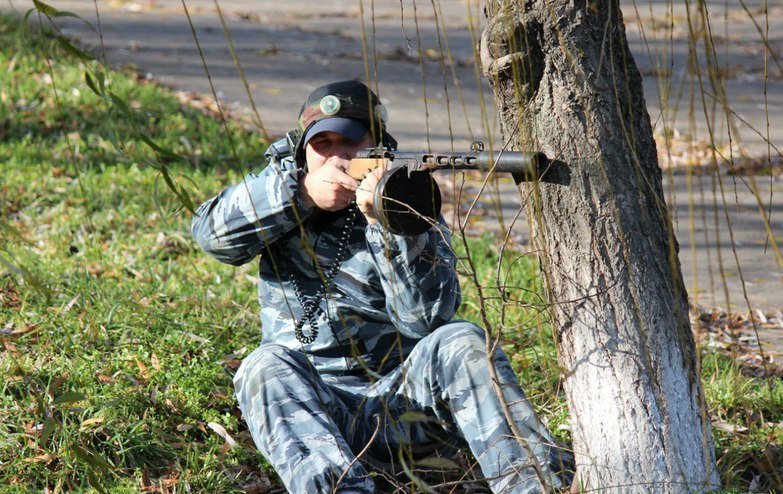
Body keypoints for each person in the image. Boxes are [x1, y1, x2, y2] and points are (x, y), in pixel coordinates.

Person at [191, 80, 571, 493]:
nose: (338, 157)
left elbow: (426, 319)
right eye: (324, 144)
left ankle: (534, 485)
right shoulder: (282, 186)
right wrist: (300, 195)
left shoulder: (405, 202)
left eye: (351, 143)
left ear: (379, 148)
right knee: (263, 366)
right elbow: (211, 236)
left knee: (462, 339)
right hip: (316, 412)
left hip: (404, 411)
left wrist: (388, 224)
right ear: (303, 152)